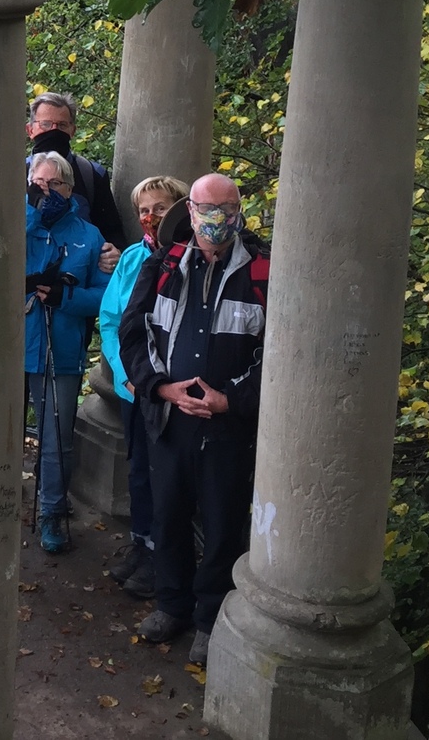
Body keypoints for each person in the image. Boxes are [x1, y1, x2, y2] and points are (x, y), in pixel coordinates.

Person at [120, 173, 268, 667]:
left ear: (240, 211)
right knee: (169, 514)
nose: (216, 220)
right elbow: (133, 333)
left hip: (229, 427)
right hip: (170, 418)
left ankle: (209, 620)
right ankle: (171, 605)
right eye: (206, 209)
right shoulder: (163, 265)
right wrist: (160, 387)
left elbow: (281, 353)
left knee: (224, 523)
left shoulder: (265, 271)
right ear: (190, 210)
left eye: (226, 209)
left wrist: (232, 400)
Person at [96, 175, 190, 600]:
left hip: (171, 388)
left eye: (159, 208)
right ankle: (142, 543)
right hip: (134, 386)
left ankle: (163, 558)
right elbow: (111, 320)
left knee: (166, 474)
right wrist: (125, 372)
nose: (150, 217)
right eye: (143, 210)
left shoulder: (191, 256)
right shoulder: (133, 256)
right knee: (138, 470)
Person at [25, 150, 110, 554]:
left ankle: (53, 510)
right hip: (11, 344)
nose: (46, 192)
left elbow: (105, 298)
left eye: (54, 184)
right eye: (38, 184)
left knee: (56, 436)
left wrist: (65, 296)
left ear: (70, 188)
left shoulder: (89, 236)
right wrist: (28, 212)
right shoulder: (15, 222)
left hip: (60, 346)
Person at [27, 91, 125, 272]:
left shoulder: (91, 174)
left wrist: (114, 252)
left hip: (76, 283)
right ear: (30, 129)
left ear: (73, 130)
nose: (54, 131)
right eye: (46, 124)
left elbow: (112, 231)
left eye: (62, 125)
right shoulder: (11, 177)